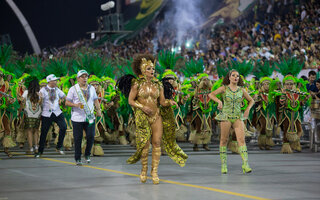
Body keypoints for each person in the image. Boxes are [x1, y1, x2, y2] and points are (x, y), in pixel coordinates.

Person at [119, 54, 187, 184]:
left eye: (153, 69)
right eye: (149, 69)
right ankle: (144, 170)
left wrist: (169, 102)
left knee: (156, 143)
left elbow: (161, 101)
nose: (152, 71)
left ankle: (154, 171)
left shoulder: (159, 85)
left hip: (156, 117)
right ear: (143, 70)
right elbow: (130, 101)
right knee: (145, 145)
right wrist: (142, 107)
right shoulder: (136, 84)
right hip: (142, 117)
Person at [209, 69, 254, 174]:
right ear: (229, 77)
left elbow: (251, 100)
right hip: (226, 116)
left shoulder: (241, 90)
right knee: (223, 140)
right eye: (233, 75)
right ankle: (224, 165)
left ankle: (245, 164)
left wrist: (247, 109)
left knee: (241, 140)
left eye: (237, 76)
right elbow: (211, 95)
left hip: (238, 117)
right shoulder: (224, 88)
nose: (235, 77)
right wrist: (219, 101)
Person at [65, 70, 102, 165]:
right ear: (78, 78)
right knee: (78, 138)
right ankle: (78, 158)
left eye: (86, 76)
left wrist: (98, 110)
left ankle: (87, 154)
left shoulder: (91, 89)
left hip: (89, 117)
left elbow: (95, 100)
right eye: (82, 76)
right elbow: (67, 102)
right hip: (77, 118)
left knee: (90, 136)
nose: (85, 78)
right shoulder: (73, 89)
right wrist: (75, 105)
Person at [35, 74, 67, 157]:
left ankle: (59, 146)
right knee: (44, 132)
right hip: (47, 113)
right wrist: (40, 98)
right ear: (49, 81)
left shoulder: (57, 89)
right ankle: (40, 151)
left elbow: (64, 96)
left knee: (63, 127)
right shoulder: (43, 90)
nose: (56, 82)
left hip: (57, 112)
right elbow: (39, 103)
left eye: (56, 80)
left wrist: (65, 100)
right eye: (54, 80)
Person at [22, 79, 43, 155]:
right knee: (36, 131)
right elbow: (40, 103)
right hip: (37, 113)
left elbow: (22, 101)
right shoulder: (40, 93)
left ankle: (30, 148)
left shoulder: (26, 92)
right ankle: (36, 147)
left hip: (28, 113)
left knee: (29, 131)